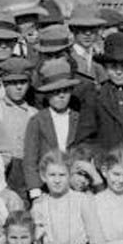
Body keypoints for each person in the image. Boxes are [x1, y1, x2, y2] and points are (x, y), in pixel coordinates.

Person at [21, 62, 83, 191]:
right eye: (56, 92)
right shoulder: (38, 120)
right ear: (48, 94)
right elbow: (30, 159)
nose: (61, 96)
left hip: (74, 181)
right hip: (47, 183)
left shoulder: (78, 118)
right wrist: (34, 188)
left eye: (65, 91)